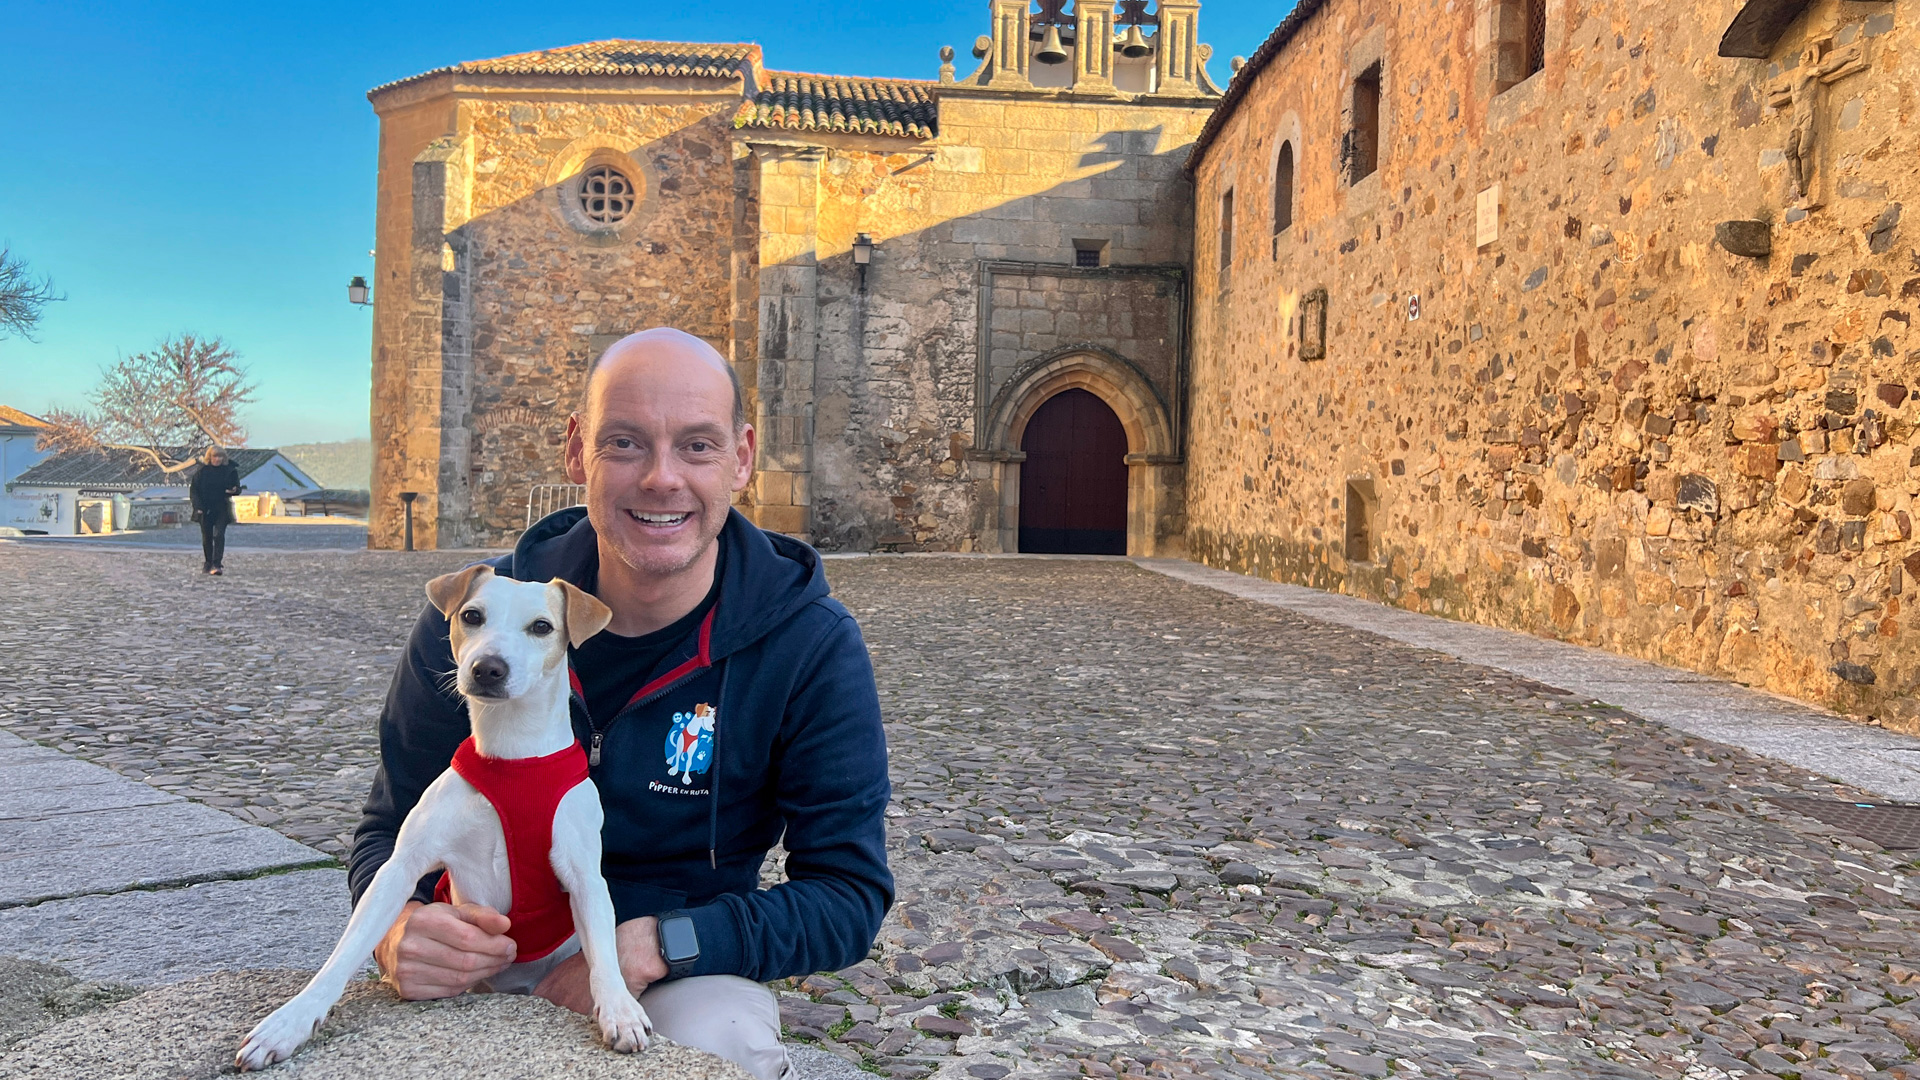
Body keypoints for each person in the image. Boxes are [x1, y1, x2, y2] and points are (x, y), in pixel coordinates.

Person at [350, 328, 892, 1080]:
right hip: (482, 945)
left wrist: (648, 947)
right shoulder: (485, 623)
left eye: (697, 446)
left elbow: (847, 895)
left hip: (669, 960)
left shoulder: (810, 646)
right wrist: (399, 930)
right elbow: (390, 823)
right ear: (578, 451)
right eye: (626, 443)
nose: (661, 479)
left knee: (727, 1043)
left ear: (742, 457)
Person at [189, 447, 242, 575]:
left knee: (218, 535)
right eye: (215, 457)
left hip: (221, 508)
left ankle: (217, 564)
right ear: (210, 457)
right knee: (207, 537)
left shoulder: (230, 471)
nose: (217, 459)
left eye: (220, 457)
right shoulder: (202, 471)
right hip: (205, 508)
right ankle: (208, 562)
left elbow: (237, 488)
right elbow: (194, 491)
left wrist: (234, 491)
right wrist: (198, 507)